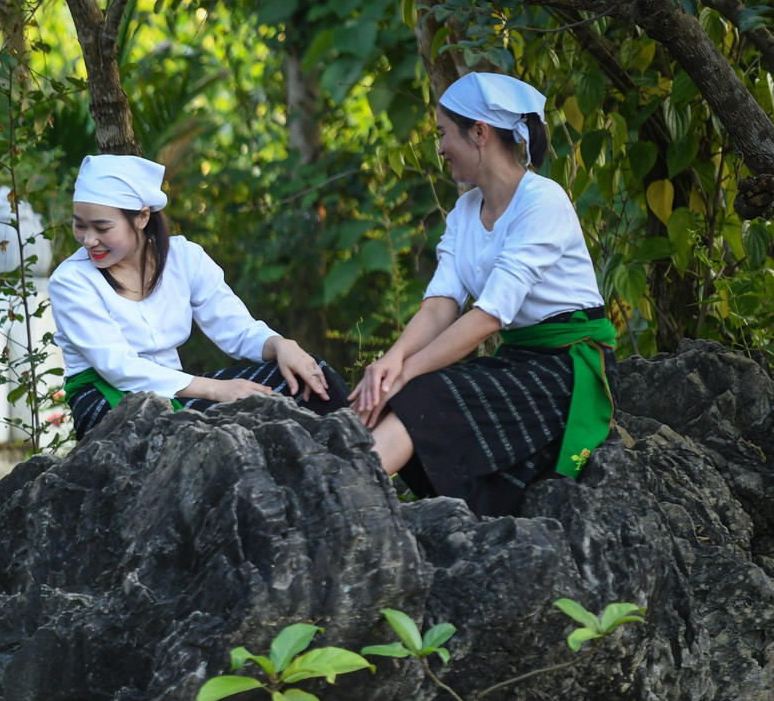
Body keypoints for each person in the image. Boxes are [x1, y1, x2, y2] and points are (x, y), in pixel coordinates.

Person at [353, 73, 615, 517]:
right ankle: (340, 490)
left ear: (480, 133)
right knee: (405, 391)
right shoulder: (465, 211)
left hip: (566, 368)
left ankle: (344, 500)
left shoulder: (543, 201)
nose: (438, 148)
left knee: (426, 392)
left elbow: (490, 316)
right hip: (522, 358)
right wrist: (391, 364)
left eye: (442, 134)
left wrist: (408, 373)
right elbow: (441, 304)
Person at [50, 154, 349, 440]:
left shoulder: (185, 258)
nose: (89, 240)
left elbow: (235, 328)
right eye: (80, 225)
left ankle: (375, 458)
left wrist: (281, 345)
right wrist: (218, 390)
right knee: (198, 431)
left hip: (180, 389)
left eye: (102, 227)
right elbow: (117, 366)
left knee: (308, 376)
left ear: (141, 218)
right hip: (107, 397)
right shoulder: (71, 281)